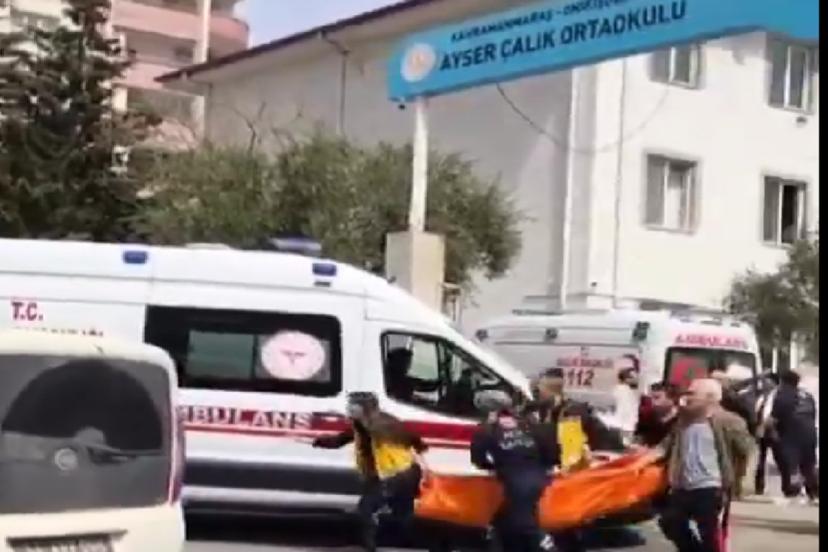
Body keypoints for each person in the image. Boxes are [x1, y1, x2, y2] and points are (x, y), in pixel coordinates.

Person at [312, 392, 427, 551]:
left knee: (366, 508)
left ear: (365, 408)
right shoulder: (365, 424)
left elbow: (412, 438)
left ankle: (370, 546)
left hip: (396, 474)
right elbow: (340, 440)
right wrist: (319, 442)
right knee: (401, 510)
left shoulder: (379, 425)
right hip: (400, 472)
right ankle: (405, 540)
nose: (349, 409)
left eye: (354, 406)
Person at [656, 378, 754, 552]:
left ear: (710, 397)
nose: (687, 397)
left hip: (710, 486)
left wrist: (739, 480)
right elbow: (665, 447)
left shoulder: (728, 421)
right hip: (683, 486)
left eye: (692, 394)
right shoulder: (683, 420)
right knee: (670, 522)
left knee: (709, 533)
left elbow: (747, 449)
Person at [471, 390, 558, 552]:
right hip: (539, 477)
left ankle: (548, 546)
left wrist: (494, 467)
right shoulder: (527, 423)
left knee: (525, 524)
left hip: (515, 483)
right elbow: (548, 449)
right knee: (503, 518)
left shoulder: (486, 429)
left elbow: (477, 458)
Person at [770, 369, 819, 504]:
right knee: (808, 464)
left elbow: (774, 417)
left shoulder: (782, 394)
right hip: (810, 433)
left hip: (791, 433)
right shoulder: (807, 395)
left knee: (789, 463)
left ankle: (792, 492)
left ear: (783, 381)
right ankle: (813, 492)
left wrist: (768, 429)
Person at [635, 382, 680, 447]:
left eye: (657, 398)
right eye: (651, 398)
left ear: (671, 398)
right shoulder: (649, 412)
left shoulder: (680, 415)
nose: (653, 402)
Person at [612, 356, 642, 444]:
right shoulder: (622, 390)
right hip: (624, 425)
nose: (636, 379)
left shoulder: (630, 390)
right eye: (632, 377)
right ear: (625, 379)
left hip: (628, 425)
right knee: (624, 444)